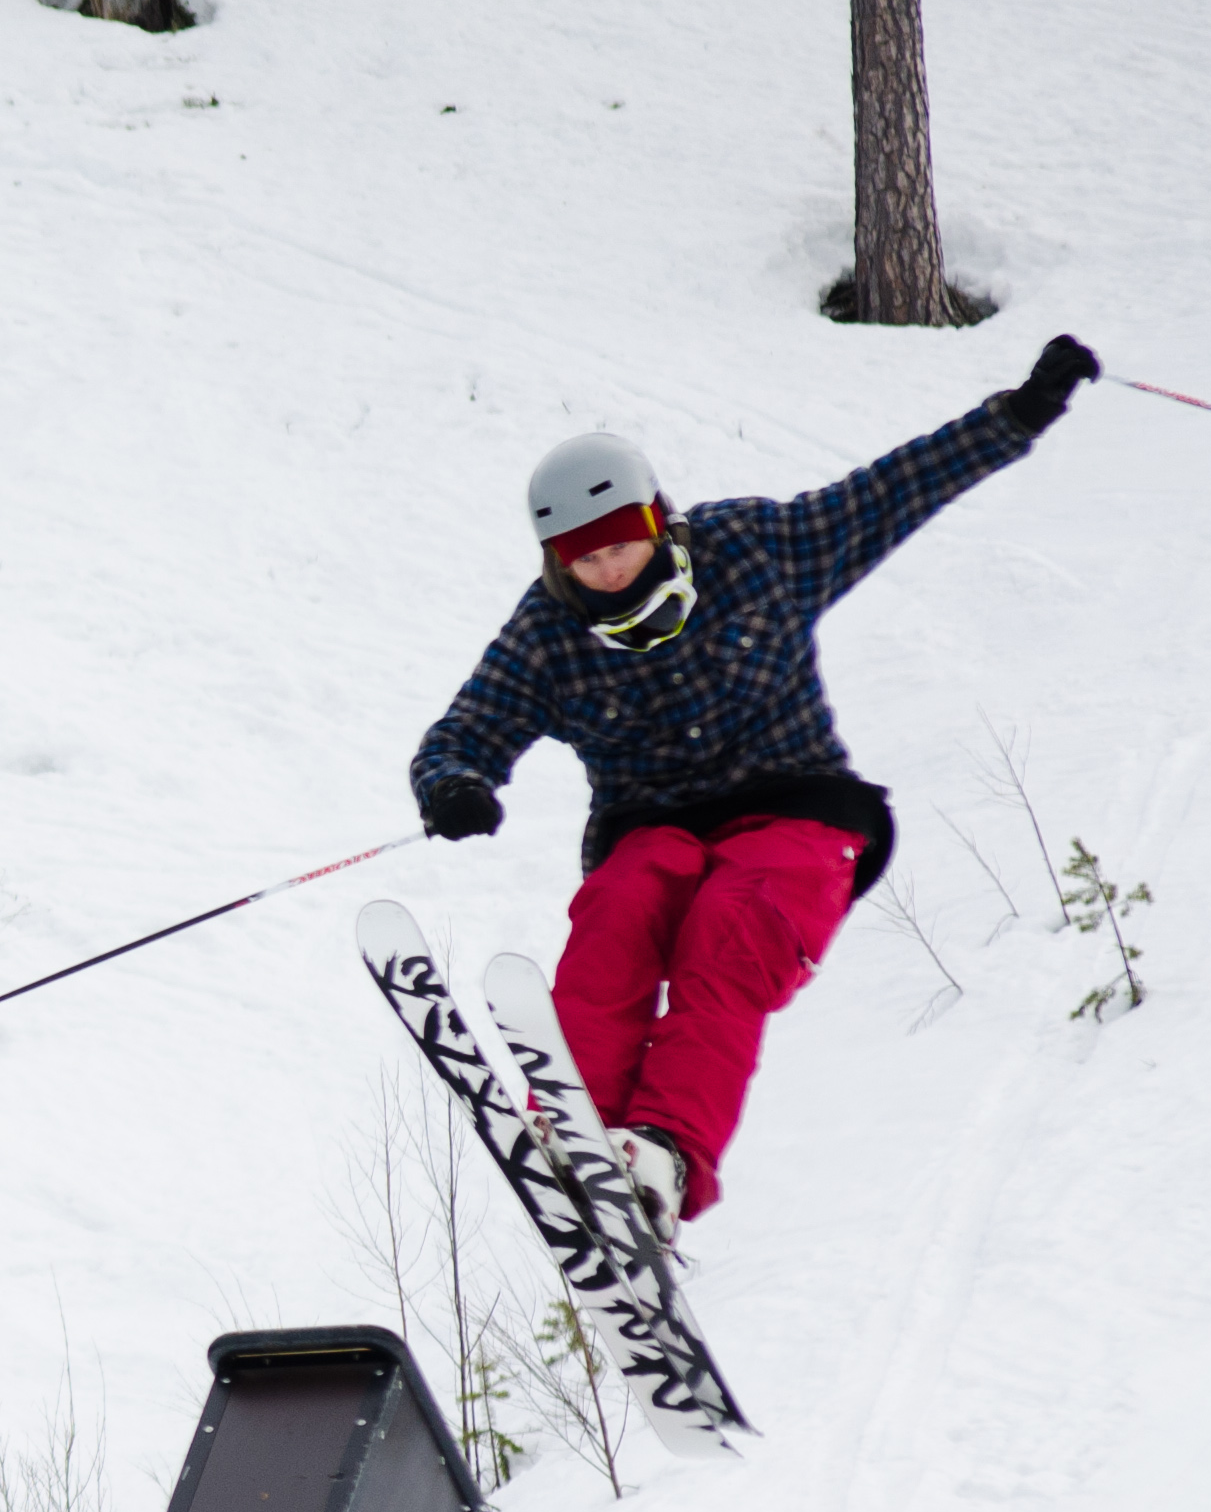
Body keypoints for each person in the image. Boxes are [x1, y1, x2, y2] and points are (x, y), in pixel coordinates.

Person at [405, 334, 1099, 1234]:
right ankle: (577, 1131)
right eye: (584, 558)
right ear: (556, 562)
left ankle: (661, 1152)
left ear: (658, 521)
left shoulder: (754, 550)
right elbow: (465, 732)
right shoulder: (548, 632)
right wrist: (455, 784)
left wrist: (1018, 415)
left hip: (797, 810)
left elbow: (887, 494)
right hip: (649, 826)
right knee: (619, 910)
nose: (609, 570)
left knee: (729, 930)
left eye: (623, 544)